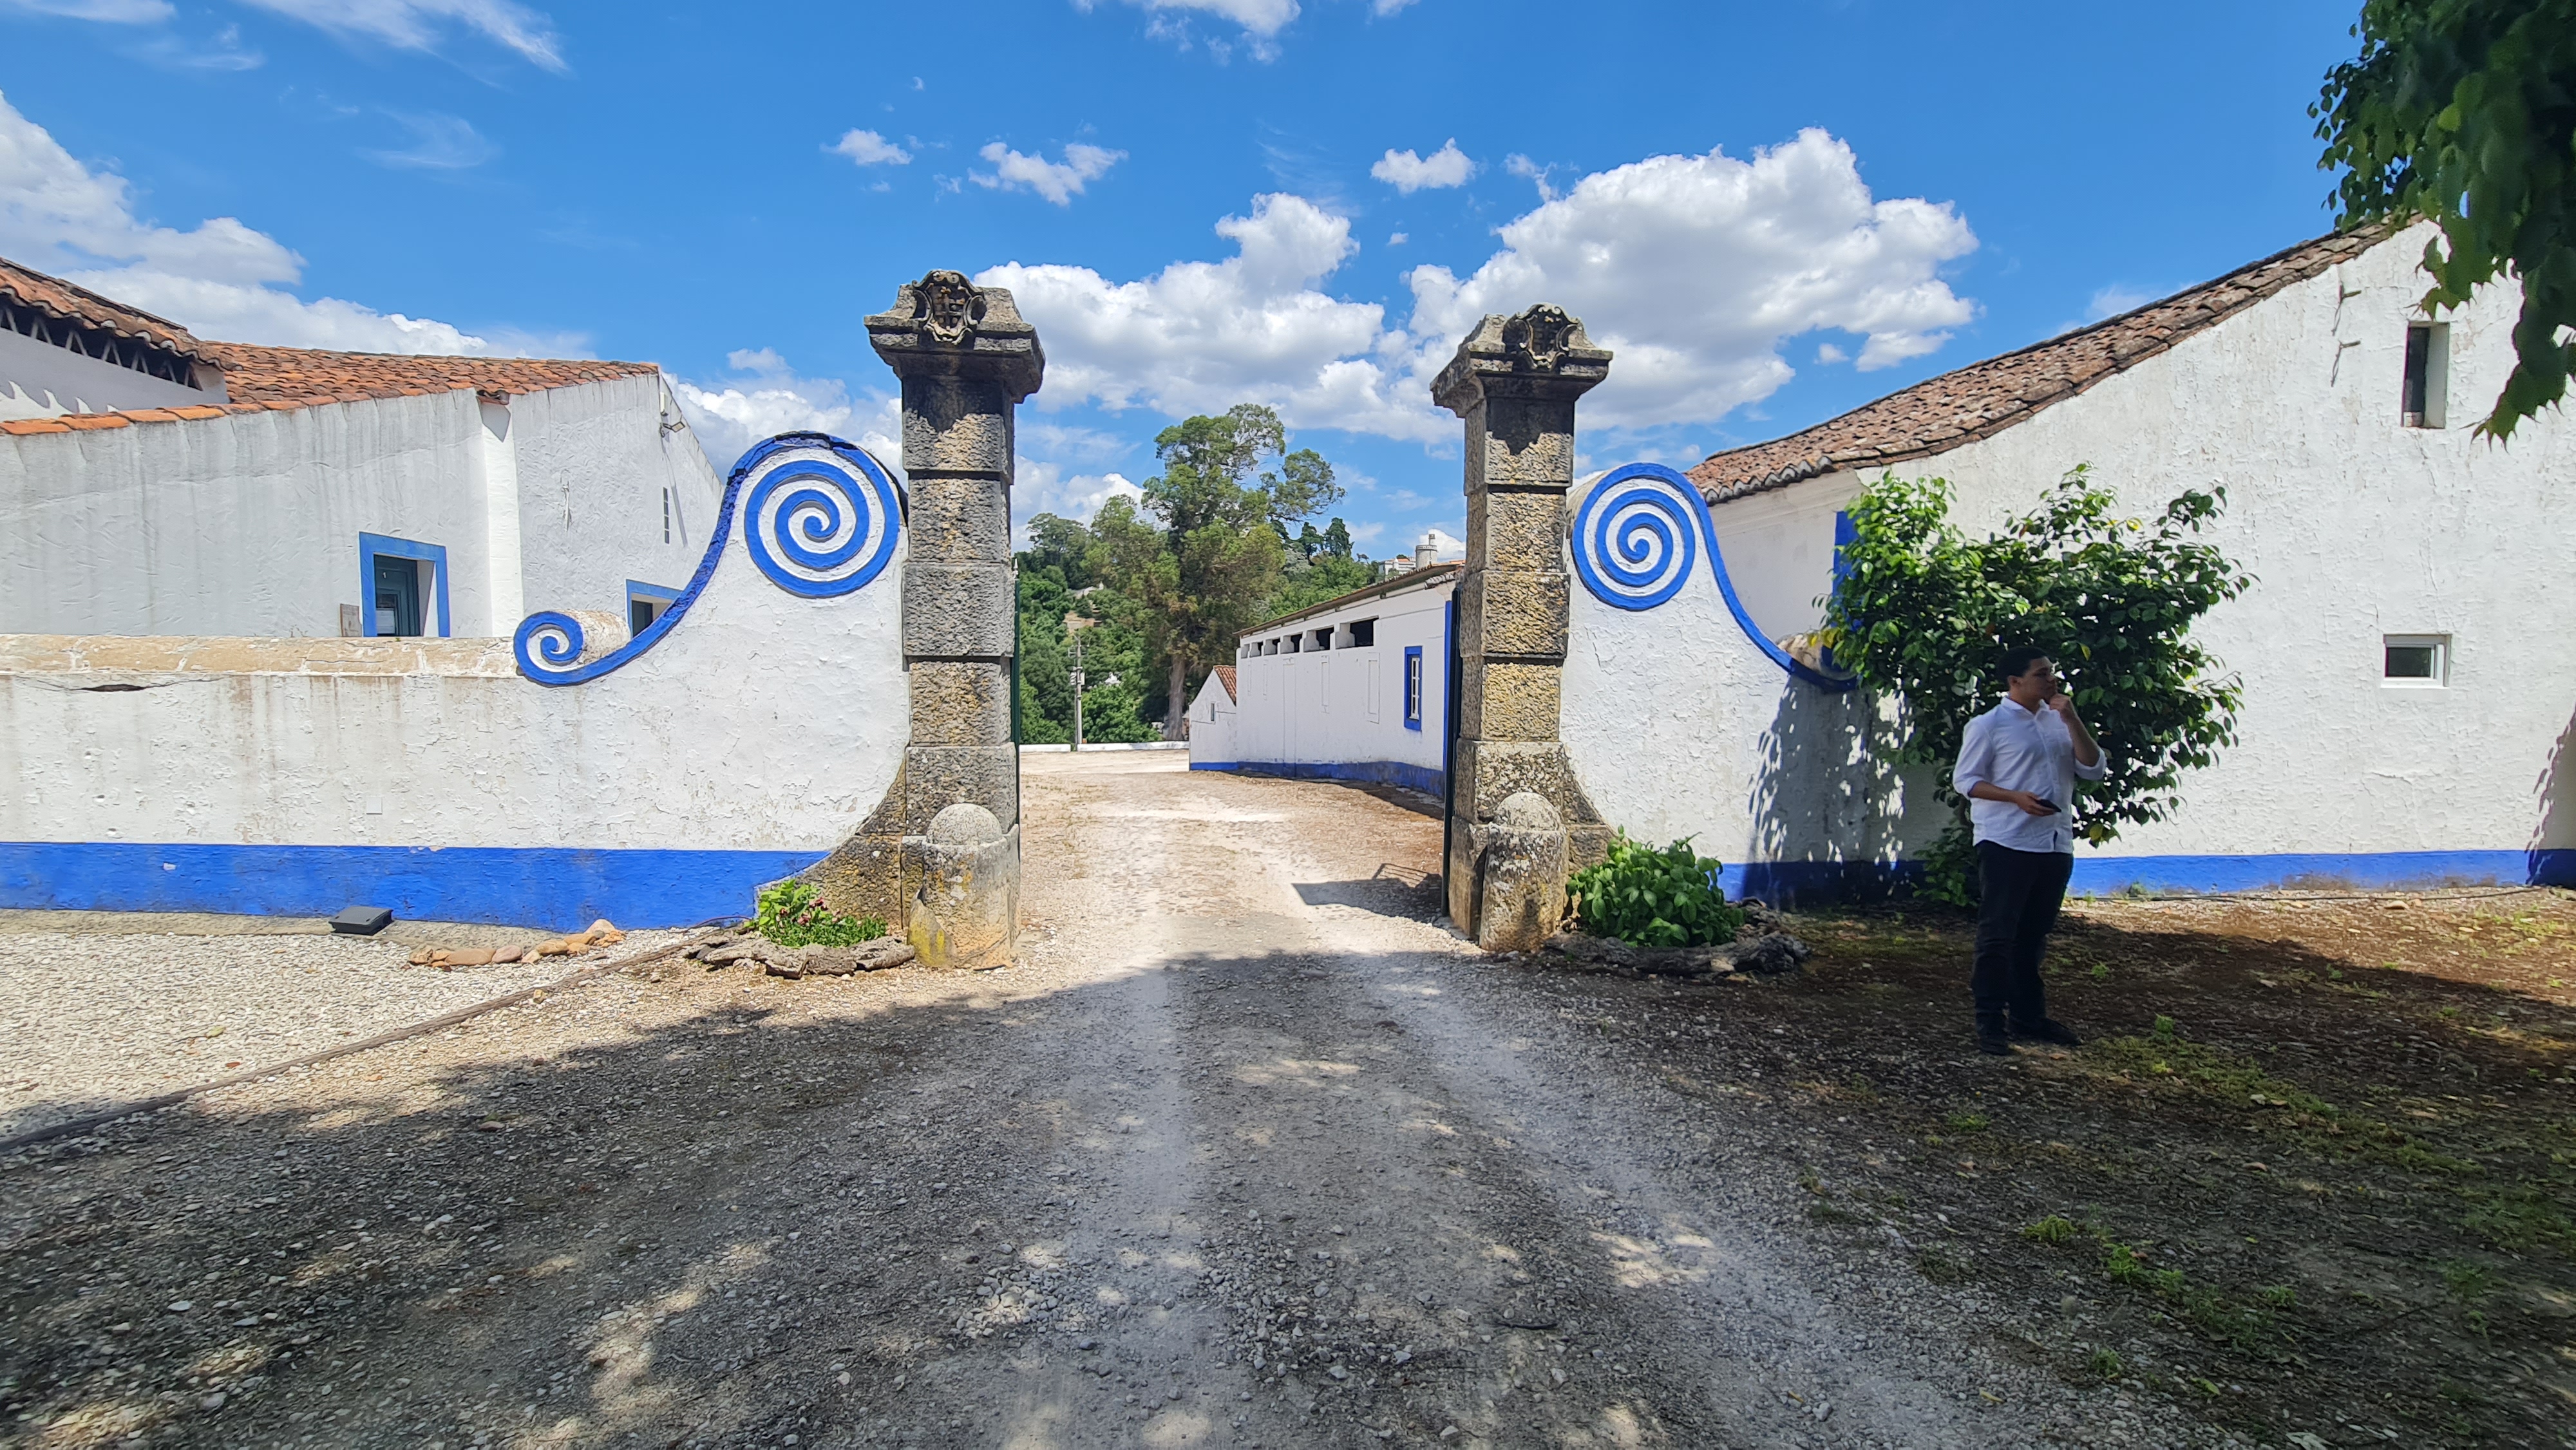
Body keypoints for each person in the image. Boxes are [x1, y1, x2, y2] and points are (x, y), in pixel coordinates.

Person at [1950, 645, 2105, 1055]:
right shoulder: (1989, 725)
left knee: (2034, 935)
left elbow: (2093, 768)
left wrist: (2072, 719)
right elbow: (1966, 781)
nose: (2051, 680)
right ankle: (1989, 1021)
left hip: (2055, 842)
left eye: (2052, 672)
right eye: (2042, 674)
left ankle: (2027, 1016)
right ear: (2015, 681)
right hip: (2007, 842)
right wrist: (2014, 797)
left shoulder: (2058, 720)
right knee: (1998, 935)